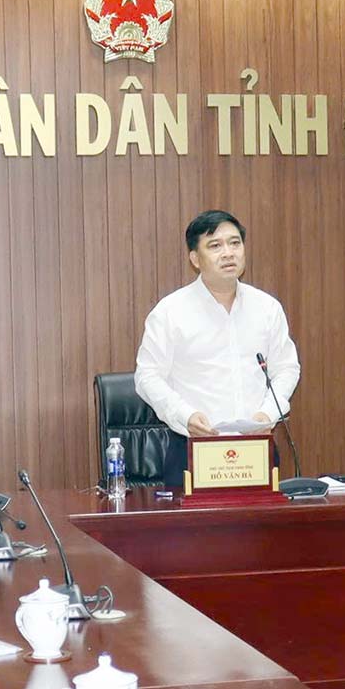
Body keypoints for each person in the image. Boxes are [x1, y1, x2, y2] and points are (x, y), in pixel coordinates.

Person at [134, 209, 302, 487]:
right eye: (215, 245)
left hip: (256, 449)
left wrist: (268, 413)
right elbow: (147, 377)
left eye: (235, 243)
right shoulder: (170, 312)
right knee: (194, 532)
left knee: (261, 531)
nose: (228, 253)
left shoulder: (267, 308)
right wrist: (185, 415)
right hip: (194, 450)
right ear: (195, 259)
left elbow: (286, 368)